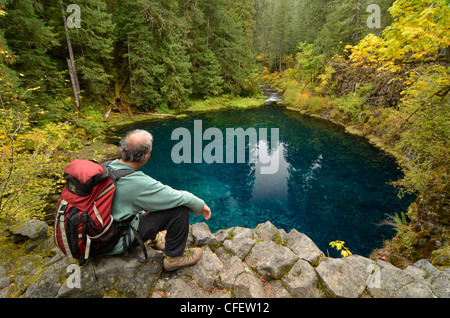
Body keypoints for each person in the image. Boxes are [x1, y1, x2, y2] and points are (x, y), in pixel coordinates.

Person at [105, 129, 212, 271]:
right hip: (112, 241)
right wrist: (201, 205)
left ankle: (155, 238)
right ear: (146, 156)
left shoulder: (106, 166)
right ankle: (174, 258)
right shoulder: (136, 182)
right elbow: (177, 197)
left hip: (94, 236)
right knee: (179, 209)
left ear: (123, 150)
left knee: (147, 203)